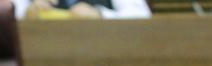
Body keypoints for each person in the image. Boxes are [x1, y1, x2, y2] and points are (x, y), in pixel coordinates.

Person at [11, 0, 151, 19]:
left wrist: (100, 14)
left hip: (101, 51)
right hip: (42, 56)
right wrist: (27, 12)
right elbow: (7, 11)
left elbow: (142, 16)